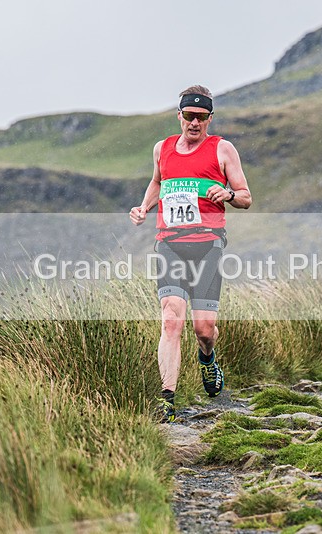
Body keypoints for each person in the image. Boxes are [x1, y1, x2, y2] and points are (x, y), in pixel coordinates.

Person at [129, 85, 252, 422]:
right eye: (189, 116)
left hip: (208, 244)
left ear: (210, 119)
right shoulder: (162, 148)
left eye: (201, 117)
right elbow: (158, 182)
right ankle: (167, 399)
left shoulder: (222, 149)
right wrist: (143, 207)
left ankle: (208, 359)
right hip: (169, 243)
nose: (194, 123)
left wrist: (227, 194)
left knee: (204, 329)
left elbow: (246, 197)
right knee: (171, 319)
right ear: (179, 115)